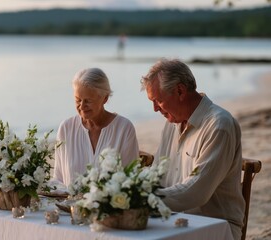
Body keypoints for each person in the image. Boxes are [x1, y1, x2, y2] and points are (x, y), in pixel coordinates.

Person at [141, 58, 245, 240]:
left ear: (180, 91)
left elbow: (196, 191)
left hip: (216, 226)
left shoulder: (219, 125)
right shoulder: (172, 123)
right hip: (175, 220)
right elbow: (157, 175)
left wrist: (141, 200)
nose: (155, 109)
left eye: (158, 100)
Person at [53, 67, 139, 187]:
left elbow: (131, 180)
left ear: (105, 98)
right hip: (68, 205)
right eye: (78, 100)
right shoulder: (66, 129)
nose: (82, 106)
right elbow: (58, 179)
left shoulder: (124, 129)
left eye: (88, 101)